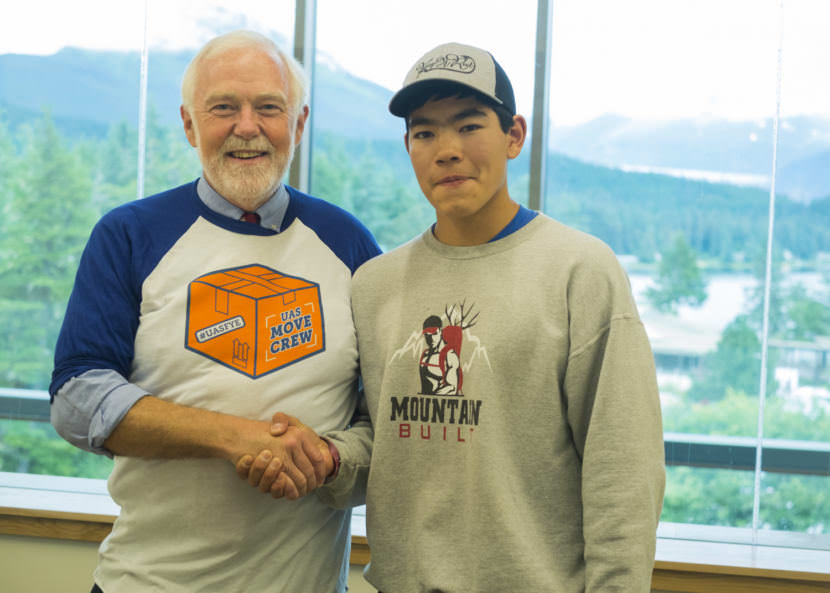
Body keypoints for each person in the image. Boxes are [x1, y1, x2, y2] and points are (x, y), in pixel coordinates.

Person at [247, 41, 665, 592]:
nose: (446, 150)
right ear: (409, 146)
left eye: (469, 126)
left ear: (514, 135)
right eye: (425, 133)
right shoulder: (375, 284)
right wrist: (326, 457)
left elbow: (623, 470)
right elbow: (389, 438)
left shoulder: (579, 270)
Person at [49, 30, 380, 593]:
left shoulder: (349, 244)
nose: (246, 127)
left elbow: (389, 419)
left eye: (268, 109)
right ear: (189, 124)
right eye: (223, 107)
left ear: (297, 125)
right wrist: (235, 437)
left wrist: (325, 457)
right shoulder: (129, 235)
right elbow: (77, 398)